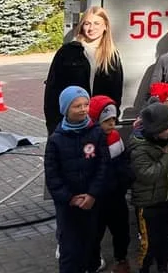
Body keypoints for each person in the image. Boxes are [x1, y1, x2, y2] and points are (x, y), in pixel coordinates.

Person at [44, 86, 109, 273]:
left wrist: (92, 194)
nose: (83, 109)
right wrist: (69, 198)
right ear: (65, 109)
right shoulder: (56, 139)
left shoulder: (96, 132)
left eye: (86, 104)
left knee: (90, 244)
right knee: (70, 250)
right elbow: (52, 174)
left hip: (91, 202)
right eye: (77, 106)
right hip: (68, 206)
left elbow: (103, 165)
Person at [43, 7, 123, 135]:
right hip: (70, 124)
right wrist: (53, 126)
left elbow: (116, 93)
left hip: (99, 123)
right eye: (87, 23)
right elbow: (52, 91)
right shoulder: (67, 51)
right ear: (81, 26)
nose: (91, 28)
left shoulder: (112, 55)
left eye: (97, 23)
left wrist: (112, 118)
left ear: (105, 27)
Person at [130, 102, 168, 273]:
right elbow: (148, 174)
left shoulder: (163, 140)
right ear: (157, 130)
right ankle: (144, 268)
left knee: (165, 238)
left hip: (166, 199)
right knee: (149, 243)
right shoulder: (139, 148)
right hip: (148, 205)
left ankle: (162, 267)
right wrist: (167, 158)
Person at [88, 96, 132, 273]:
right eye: (107, 120)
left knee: (121, 230)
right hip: (97, 199)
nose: (112, 124)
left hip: (116, 196)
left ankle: (121, 259)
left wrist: (125, 180)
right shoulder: (89, 141)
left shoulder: (115, 137)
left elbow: (124, 160)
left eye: (114, 119)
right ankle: (93, 261)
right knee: (94, 233)